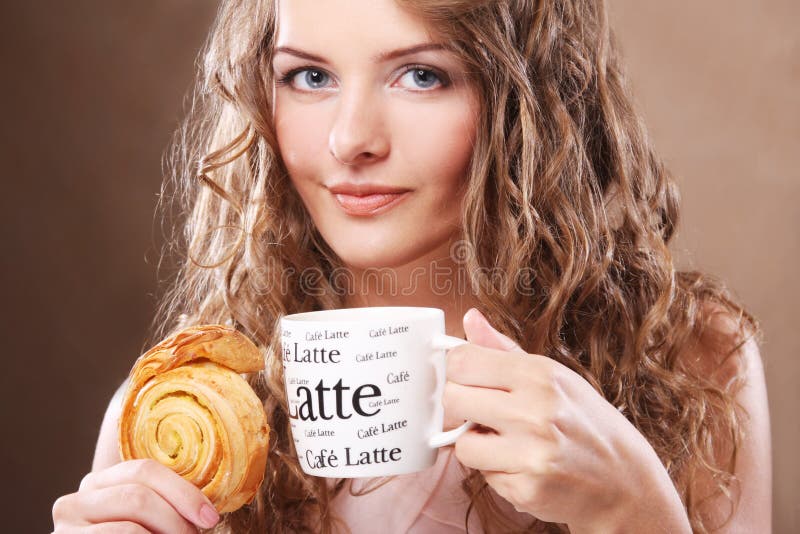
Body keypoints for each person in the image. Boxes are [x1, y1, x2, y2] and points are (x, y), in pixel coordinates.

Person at [51, 0, 771, 532]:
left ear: (530, 103)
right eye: (307, 77)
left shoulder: (692, 360)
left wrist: (639, 514)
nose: (350, 139)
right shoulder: (177, 425)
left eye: (421, 75)